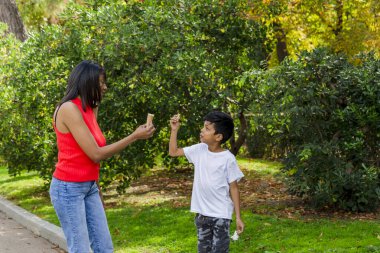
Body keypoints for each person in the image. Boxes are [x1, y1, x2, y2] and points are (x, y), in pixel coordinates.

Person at [49, 60, 155, 253]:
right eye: (101, 83)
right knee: (80, 249)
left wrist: (96, 188)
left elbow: (90, 154)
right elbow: (96, 154)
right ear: (87, 82)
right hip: (68, 189)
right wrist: (134, 136)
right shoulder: (68, 109)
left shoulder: (90, 108)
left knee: (104, 247)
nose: (105, 87)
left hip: (89, 186)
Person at [169, 111, 244, 253]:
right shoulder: (199, 150)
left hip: (221, 215)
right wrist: (174, 130)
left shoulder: (228, 158)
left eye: (207, 128)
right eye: (203, 127)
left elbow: (234, 188)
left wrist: (238, 217)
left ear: (218, 137)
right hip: (202, 215)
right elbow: (173, 152)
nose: (202, 130)